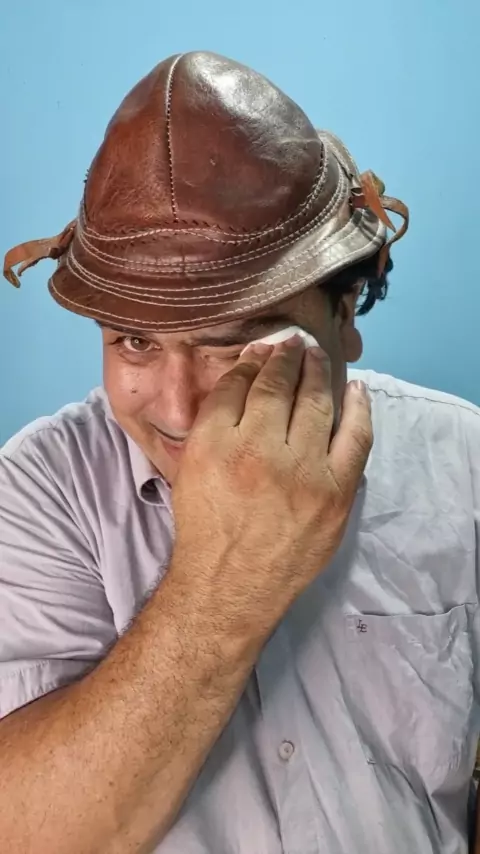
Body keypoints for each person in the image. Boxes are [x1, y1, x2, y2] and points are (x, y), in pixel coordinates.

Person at [1, 50, 479, 854]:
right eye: (135, 341)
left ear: (345, 311)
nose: (179, 409)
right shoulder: (38, 495)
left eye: (231, 343)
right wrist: (226, 584)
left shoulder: (464, 464)